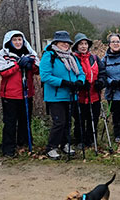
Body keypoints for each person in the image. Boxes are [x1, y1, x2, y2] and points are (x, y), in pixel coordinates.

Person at [39, 31, 86, 159]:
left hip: (71, 95)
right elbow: (45, 76)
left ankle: (65, 143)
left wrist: (80, 81)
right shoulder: (49, 56)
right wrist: (63, 83)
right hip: (55, 96)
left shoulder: (72, 56)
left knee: (67, 122)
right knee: (59, 122)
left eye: (67, 43)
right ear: (56, 43)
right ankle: (51, 147)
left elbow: (80, 72)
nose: (66, 44)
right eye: (63, 42)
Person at [0, 30, 39, 157]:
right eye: (15, 40)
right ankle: (8, 147)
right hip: (10, 94)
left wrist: (31, 65)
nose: (18, 42)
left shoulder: (30, 53)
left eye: (20, 39)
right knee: (10, 122)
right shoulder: (3, 54)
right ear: (9, 41)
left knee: (25, 120)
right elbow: (3, 71)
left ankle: (23, 142)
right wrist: (18, 65)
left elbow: (38, 69)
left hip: (26, 93)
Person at [72, 33, 105, 149]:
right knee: (79, 120)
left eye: (85, 44)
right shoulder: (72, 59)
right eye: (81, 44)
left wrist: (100, 82)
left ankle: (91, 139)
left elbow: (102, 72)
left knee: (93, 118)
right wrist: (79, 84)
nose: (83, 46)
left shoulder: (94, 58)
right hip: (79, 96)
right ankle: (80, 140)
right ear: (76, 45)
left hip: (94, 94)